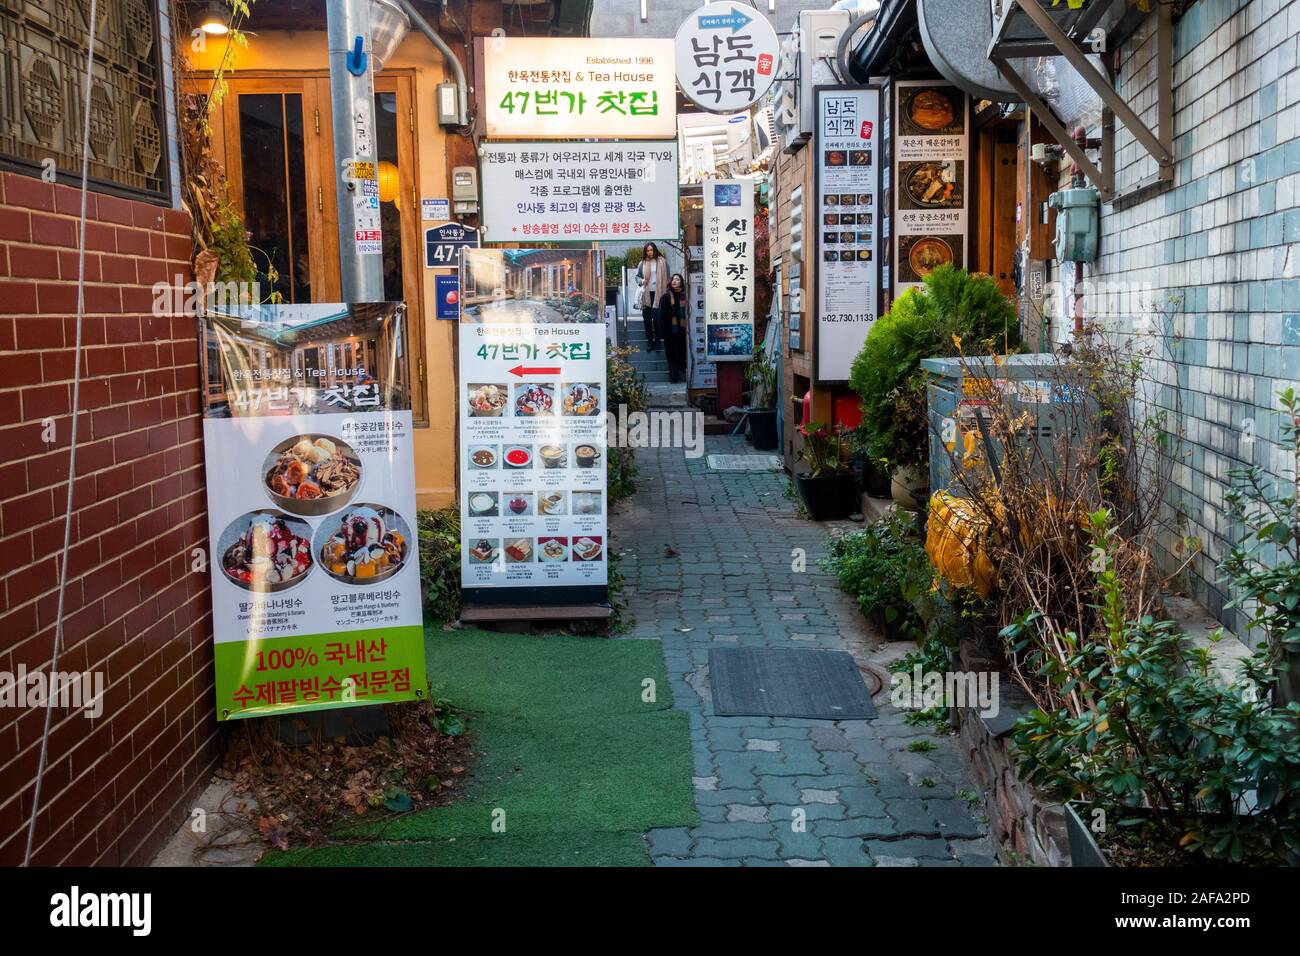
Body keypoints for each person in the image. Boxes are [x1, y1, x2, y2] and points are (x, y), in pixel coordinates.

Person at [636, 242, 669, 352]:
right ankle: (650, 340)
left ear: (655, 250)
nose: (650, 252)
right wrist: (641, 281)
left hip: (659, 293)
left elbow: (668, 277)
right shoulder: (643, 263)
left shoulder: (663, 262)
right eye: (647, 250)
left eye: (651, 250)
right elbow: (637, 277)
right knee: (646, 319)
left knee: (657, 318)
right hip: (647, 294)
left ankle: (658, 340)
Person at [657, 272, 689, 384]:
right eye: (673, 279)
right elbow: (661, 317)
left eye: (678, 279)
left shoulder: (685, 297)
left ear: (681, 283)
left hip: (682, 332)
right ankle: (673, 377)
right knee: (671, 356)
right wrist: (661, 333)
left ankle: (681, 370)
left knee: (681, 355)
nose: (675, 281)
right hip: (670, 333)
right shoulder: (665, 297)